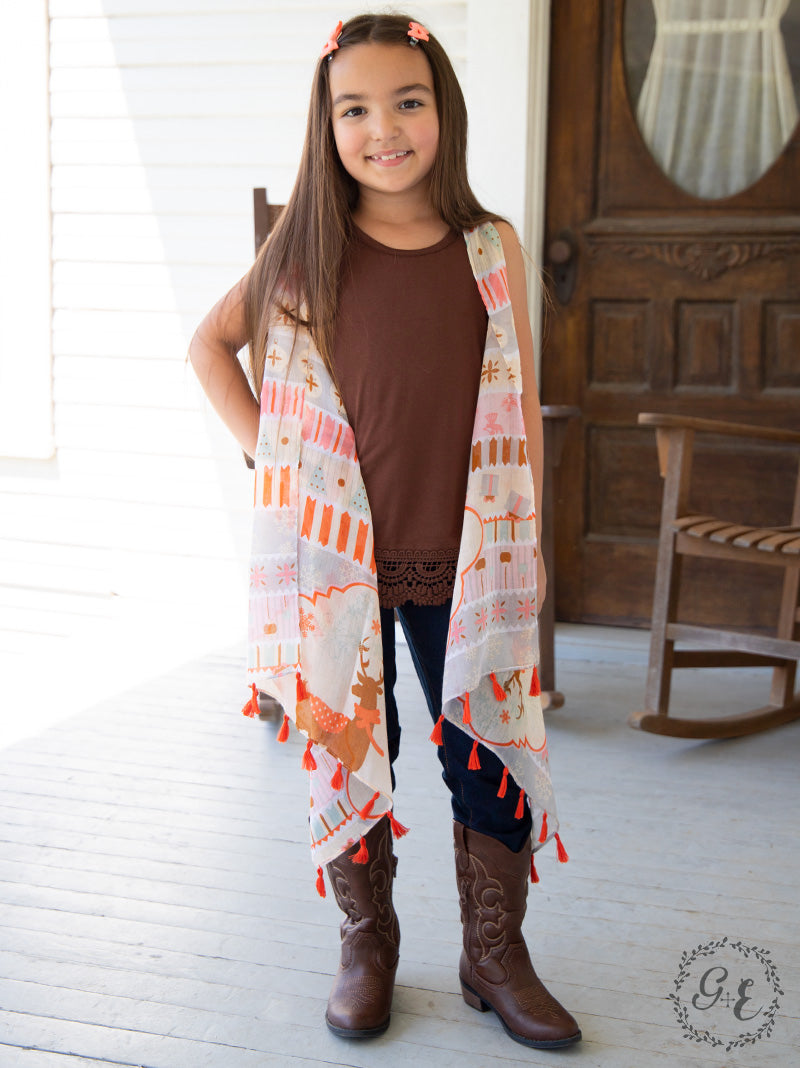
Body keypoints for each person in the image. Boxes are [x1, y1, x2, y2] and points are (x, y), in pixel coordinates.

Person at [189, 12, 580, 1051]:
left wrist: (530, 543)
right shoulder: (306, 248)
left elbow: (517, 404)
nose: (383, 128)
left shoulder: (488, 247)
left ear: (443, 110)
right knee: (359, 747)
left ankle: (494, 954)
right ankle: (367, 945)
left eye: (407, 102)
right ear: (326, 126)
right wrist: (273, 461)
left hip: (469, 554)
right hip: (341, 561)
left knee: (484, 752)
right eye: (354, 109)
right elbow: (210, 346)